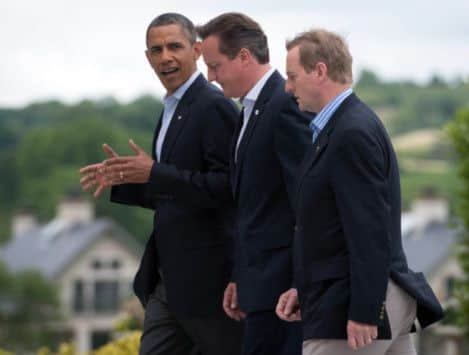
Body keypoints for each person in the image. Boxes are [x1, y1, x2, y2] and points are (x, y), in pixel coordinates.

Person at [79, 13, 242, 355]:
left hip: (209, 283)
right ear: (147, 57)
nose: (165, 56)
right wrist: (125, 179)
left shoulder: (212, 106)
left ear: (196, 50)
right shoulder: (171, 108)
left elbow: (228, 187)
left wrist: (154, 173)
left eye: (174, 46)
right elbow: (175, 191)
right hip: (168, 281)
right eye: (156, 49)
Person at [276, 29, 444, 355]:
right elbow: (330, 228)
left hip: (354, 304)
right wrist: (303, 288)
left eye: (292, 76)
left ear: (320, 71)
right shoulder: (343, 127)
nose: (287, 86)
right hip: (367, 297)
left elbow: (368, 229)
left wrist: (366, 311)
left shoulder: (350, 132)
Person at [196, 12, 311, 355]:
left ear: (244, 57)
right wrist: (239, 277)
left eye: (215, 66)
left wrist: (299, 285)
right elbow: (252, 208)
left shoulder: (284, 105)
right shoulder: (250, 109)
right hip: (260, 287)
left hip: (283, 297)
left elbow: (304, 202)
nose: (210, 77)